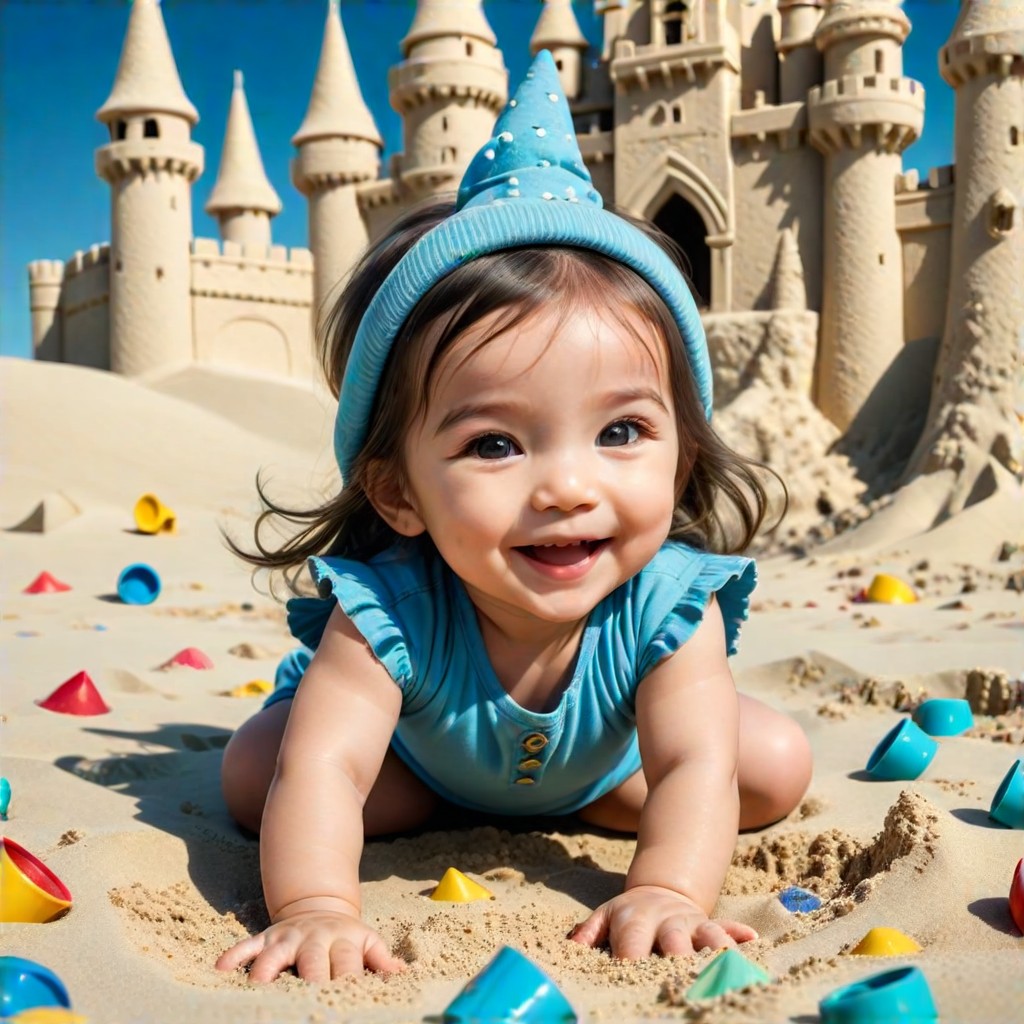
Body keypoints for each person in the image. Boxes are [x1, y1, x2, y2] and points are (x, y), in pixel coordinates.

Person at [216, 51, 812, 985]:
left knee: (768, 762)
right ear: (397, 491)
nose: (567, 487)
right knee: (263, 773)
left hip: (601, 768)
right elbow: (329, 770)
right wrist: (316, 907)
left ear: (684, 451)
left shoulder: (668, 604)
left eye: (621, 430)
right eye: (496, 444)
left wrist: (668, 889)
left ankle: (573, 800)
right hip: (423, 768)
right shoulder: (388, 610)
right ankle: (480, 800)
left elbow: (695, 762)